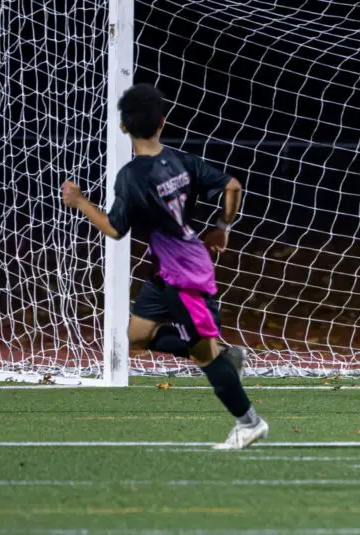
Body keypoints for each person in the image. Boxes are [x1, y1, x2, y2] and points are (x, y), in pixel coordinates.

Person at [61, 83, 269, 448]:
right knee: (136, 336)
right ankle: (224, 354)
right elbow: (232, 186)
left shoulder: (132, 177)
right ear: (162, 121)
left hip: (185, 274)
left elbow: (114, 228)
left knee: (204, 356)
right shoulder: (180, 161)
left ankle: (249, 421)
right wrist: (223, 228)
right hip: (165, 272)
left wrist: (79, 202)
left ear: (124, 127)